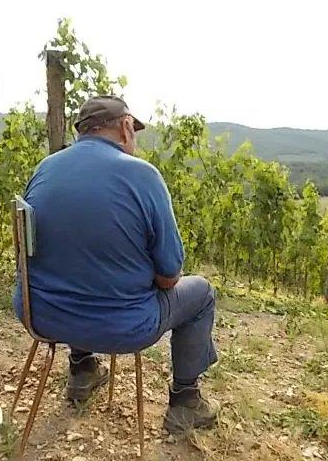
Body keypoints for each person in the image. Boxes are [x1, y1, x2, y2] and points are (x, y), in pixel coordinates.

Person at [13, 95, 218, 432]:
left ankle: (82, 369)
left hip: (40, 314)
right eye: (134, 129)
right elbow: (169, 277)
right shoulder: (143, 176)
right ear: (125, 127)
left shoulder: (45, 168)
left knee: (78, 267)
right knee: (202, 293)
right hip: (122, 328)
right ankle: (185, 402)